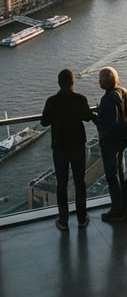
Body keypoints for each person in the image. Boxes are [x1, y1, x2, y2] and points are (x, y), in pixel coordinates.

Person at [40, 69, 94, 230]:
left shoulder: (52, 101)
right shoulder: (80, 99)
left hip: (60, 147)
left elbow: (44, 122)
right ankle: (82, 218)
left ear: (59, 83)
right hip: (77, 145)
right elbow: (87, 117)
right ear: (73, 82)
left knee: (61, 184)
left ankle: (63, 221)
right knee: (79, 182)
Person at [94, 66, 127, 222]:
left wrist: (94, 117)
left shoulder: (107, 99)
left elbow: (108, 125)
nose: (99, 81)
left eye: (101, 78)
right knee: (120, 172)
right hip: (124, 138)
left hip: (111, 142)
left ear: (108, 81)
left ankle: (117, 208)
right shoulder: (124, 92)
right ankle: (124, 204)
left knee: (111, 175)